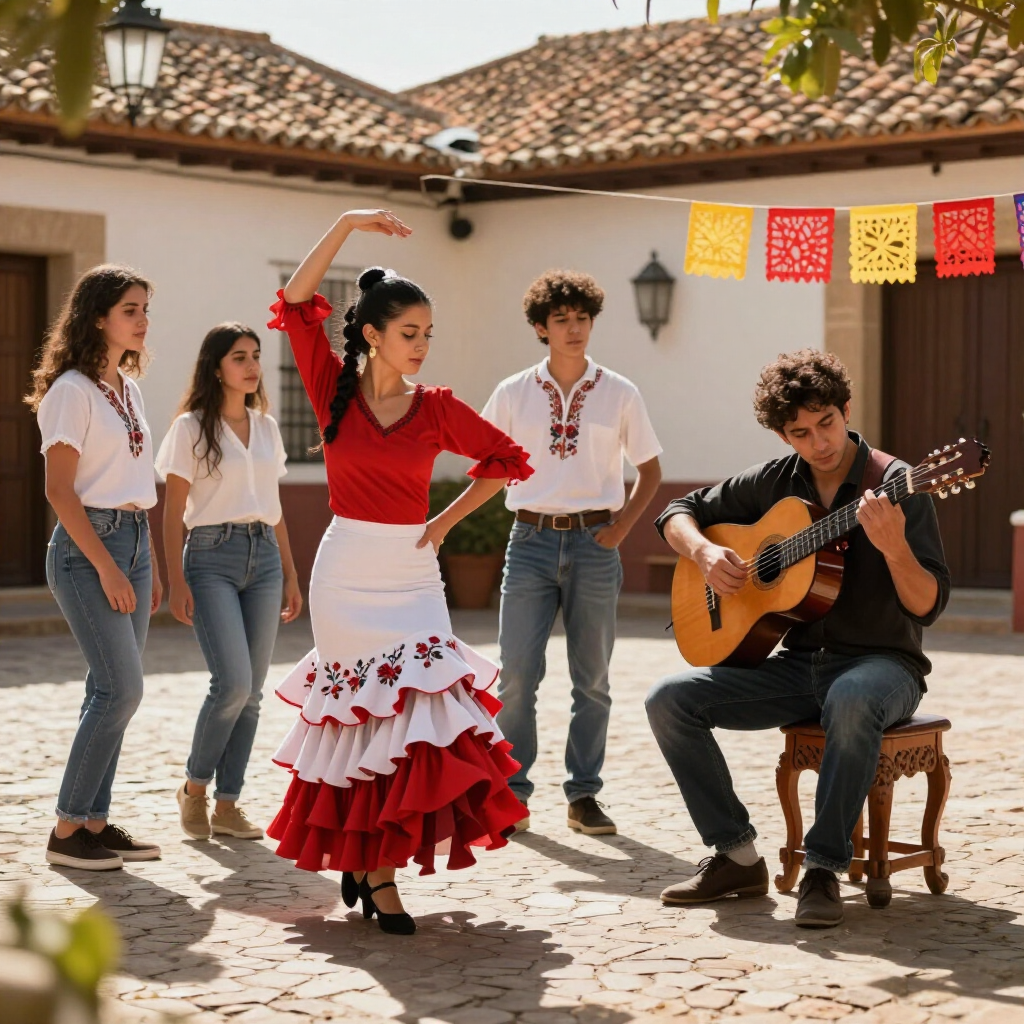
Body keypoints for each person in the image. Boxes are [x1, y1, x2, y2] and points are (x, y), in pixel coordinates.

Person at [264, 208, 533, 936]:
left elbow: (507, 461)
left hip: (412, 583)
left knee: (417, 719)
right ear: (374, 333)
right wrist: (347, 225)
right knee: (363, 728)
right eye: (409, 333)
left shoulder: (438, 408)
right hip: (345, 577)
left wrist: (443, 524)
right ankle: (374, 873)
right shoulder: (330, 390)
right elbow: (292, 306)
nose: (420, 347)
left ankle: (375, 864)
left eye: (428, 335)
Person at [646, 349, 949, 928]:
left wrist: (895, 549)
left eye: (827, 423)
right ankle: (735, 855)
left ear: (846, 409)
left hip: (884, 667)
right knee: (669, 699)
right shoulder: (775, 483)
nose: (819, 443)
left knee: (853, 697)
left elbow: (928, 605)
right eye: (801, 433)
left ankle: (823, 869)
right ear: (785, 436)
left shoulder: (898, 483)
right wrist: (706, 552)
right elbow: (677, 511)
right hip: (799, 665)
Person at [482, 270, 663, 836]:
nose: (574, 328)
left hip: (595, 545)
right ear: (541, 327)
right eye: (561, 320)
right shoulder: (511, 392)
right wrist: (440, 523)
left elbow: (651, 470)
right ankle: (513, 791)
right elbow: (488, 467)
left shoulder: (621, 391)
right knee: (515, 674)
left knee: (592, 680)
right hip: (529, 542)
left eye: (582, 318)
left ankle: (584, 795)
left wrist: (621, 529)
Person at [27, 264, 164, 871]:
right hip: (89, 552)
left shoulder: (128, 389)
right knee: (120, 688)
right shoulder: (70, 392)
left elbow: (136, 482)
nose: (142, 320)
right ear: (98, 317)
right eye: (131, 309)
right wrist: (107, 567)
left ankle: (95, 823)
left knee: (109, 691)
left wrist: (148, 562)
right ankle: (65, 829)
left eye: (144, 309)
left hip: (133, 540)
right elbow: (60, 491)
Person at [156, 323, 303, 843]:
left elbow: (276, 506)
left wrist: (289, 571)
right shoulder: (191, 428)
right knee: (233, 683)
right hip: (210, 557)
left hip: (263, 556)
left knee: (254, 693)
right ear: (216, 366)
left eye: (256, 356)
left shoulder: (266, 428)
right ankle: (194, 790)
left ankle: (228, 804)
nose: (252, 365)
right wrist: (176, 580)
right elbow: (173, 512)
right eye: (239, 356)